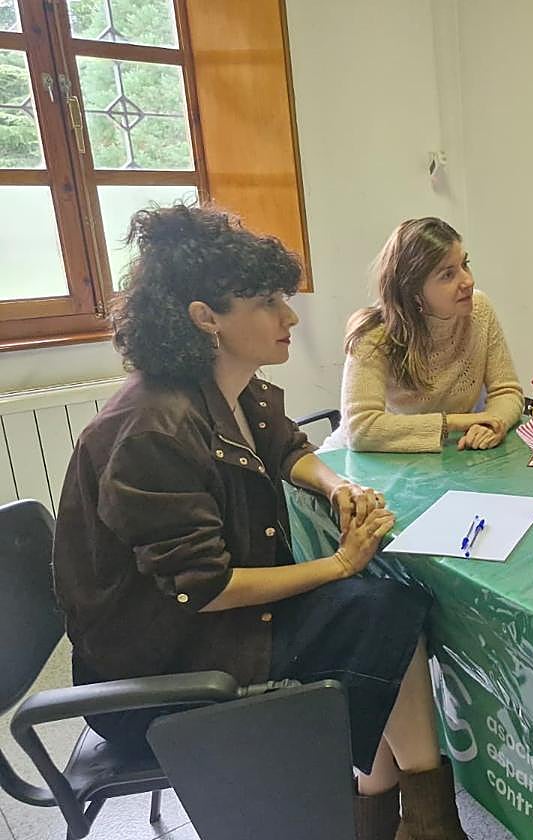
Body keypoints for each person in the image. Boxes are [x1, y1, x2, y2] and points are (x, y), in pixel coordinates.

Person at [52, 205, 464, 840]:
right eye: (268, 302)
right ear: (205, 318)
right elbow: (206, 588)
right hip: (159, 675)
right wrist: (336, 563)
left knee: (388, 606)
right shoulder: (149, 430)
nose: (290, 316)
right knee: (378, 609)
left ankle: (383, 805)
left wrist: (337, 483)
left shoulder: (226, 385)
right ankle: (415, 817)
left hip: (202, 635)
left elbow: (286, 448)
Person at [327, 217, 524, 454]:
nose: (468, 281)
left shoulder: (479, 309)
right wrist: (455, 422)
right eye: (447, 275)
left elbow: (506, 391)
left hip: (446, 453)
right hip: (371, 459)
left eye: (465, 264)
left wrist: (492, 423)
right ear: (413, 291)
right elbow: (360, 429)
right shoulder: (373, 334)